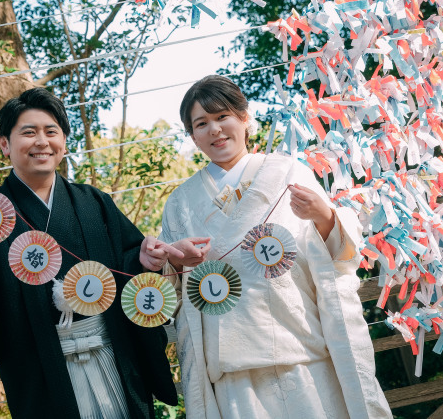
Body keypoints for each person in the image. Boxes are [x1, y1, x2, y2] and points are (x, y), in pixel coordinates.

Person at [0, 87, 178, 419]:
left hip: (113, 355)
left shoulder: (93, 203)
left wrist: (148, 261)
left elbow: (131, 264)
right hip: (40, 371)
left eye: (51, 132)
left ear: (64, 141)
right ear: (5, 144)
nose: (42, 141)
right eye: (28, 132)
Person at [140, 75, 392, 419]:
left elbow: (337, 256)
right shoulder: (180, 203)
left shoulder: (287, 171)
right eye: (202, 123)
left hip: (299, 346)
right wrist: (173, 261)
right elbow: (171, 295)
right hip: (231, 362)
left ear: (244, 119)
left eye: (222, 117)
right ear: (192, 135)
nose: (214, 130)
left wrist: (324, 217)